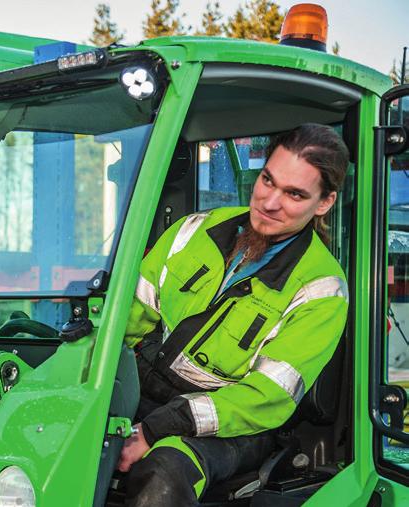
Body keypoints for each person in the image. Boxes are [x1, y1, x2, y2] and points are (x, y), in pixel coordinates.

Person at [119, 123, 350, 506]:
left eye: (294, 194)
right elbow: (125, 321)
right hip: (147, 393)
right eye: (267, 180)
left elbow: (266, 399)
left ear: (323, 203)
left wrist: (158, 428)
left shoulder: (321, 290)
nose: (270, 202)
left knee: (164, 473)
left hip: (232, 426)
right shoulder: (195, 230)